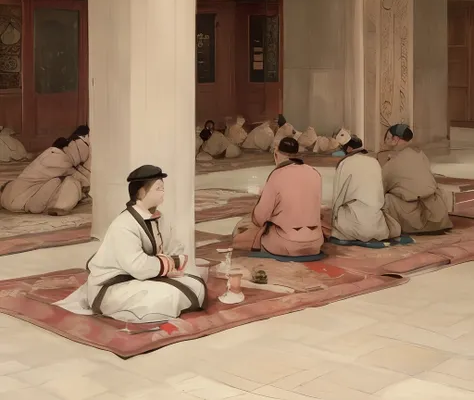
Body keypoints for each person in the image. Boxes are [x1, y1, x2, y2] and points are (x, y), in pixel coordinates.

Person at [59, 165, 207, 324]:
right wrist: (169, 263)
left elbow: (174, 248)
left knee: (196, 284)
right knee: (166, 297)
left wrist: (172, 266)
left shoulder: (159, 218)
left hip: (146, 277)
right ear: (142, 192)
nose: (163, 193)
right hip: (114, 286)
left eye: (163, 188)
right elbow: (137, 266)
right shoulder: (124, 225)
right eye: (158, 188)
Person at [233, 137, 325, 260]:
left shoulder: (277, 175)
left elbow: (259, 218)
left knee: (240, 233)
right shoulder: (315, 173)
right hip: (315, 242)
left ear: (276, 154)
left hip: (285, 243)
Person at [330, 136, 403, 248]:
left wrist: (333, 220)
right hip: (377, 225)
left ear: (349, 149)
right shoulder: (374, 161)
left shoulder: (345, 163)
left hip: (354, 224)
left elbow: (338, 197)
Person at [0, 125, 91, 216]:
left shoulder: (53, 154)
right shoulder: (58, 158)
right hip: (28, 200)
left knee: (67, 181)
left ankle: (60, 205)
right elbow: (80, 178)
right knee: (72, 182)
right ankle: (61, 206)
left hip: (17, 200)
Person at [382, 124, 452, 234]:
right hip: (437, 217)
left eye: (387, 138)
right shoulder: (421, 154)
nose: (385, 142)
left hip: (414, 218)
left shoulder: (394, 162)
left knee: (386, 199)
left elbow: (381, 187)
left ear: (395, 139)